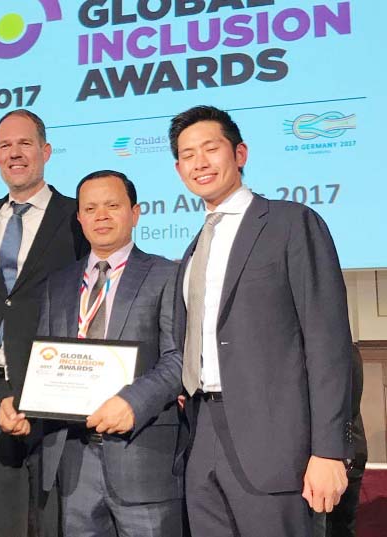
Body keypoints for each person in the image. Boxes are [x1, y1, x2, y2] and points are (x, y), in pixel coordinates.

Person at [169, 105, 353, 536]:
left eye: (210, 148)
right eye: (188, 154)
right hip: (202, 439)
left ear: (240, 153)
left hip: (276, 448)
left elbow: (328, 343)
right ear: (179, 170)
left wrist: (329, 451)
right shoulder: (193, 248)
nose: (200, 162)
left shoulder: (291, 223)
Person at [0, 171, 184, 537]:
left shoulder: (167, 274)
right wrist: (22, 404)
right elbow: (48, 365)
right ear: (79, 218)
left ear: (135, 212)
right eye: (90, 208)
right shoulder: (58, 284)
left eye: (112, 206)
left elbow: (177, 358)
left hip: (142, 457)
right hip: (72, 460)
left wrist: (132, 402)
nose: (101, 215)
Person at [0, 109, 87, 536]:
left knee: (55, 517)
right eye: (5, 145)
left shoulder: (75, 215)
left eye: (25, 143)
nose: (15, 153)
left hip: (53, 384)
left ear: (45, 151)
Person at [314, 343, 367, 537]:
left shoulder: (340, 352)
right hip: (344, 453)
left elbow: (347, 410)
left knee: (334, 527)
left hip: (337, 458)